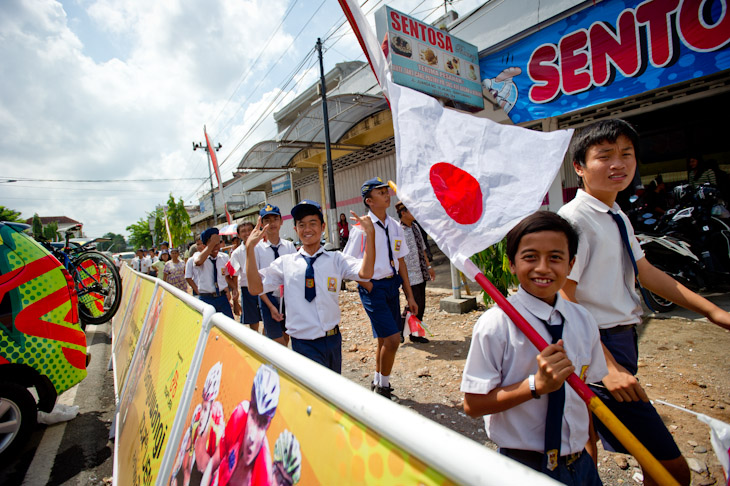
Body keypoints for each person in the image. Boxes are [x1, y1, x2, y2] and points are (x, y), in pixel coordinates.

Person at [558, 119, 730, 486]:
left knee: (584, 436)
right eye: (604, 156)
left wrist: (712, 310)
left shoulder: (615, 213)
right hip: (595, 346)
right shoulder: (574, 221)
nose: (618, 164)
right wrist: (608, 367)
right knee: (670, 469)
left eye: (627, 154)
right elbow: (563, 297)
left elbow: (646, 272)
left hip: (618, 341)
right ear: (579, 167)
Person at [462, 211, 607, 485]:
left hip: (580, 465)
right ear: (512, 264)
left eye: (555, 257)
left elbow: (582, 394)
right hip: (522, 468)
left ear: (571, 263)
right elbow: (473, 404)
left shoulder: (583, 320)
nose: (543, 268)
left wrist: (589, 453)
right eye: (530, 257)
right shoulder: (495, 325)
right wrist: (535, 385)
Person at [246, 200, 375, 373]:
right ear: (295, 230)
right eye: (302, 225)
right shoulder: (286, 263)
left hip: (333, 340)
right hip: (303, 343)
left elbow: (366, 273)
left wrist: (371, 235)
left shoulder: (336, 259)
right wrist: (249, 250)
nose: (307, 229)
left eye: (313, 224)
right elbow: (255, 289)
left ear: (322, 227)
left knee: (331, 393)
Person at [343, 177, 418, 399]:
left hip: (391, 286)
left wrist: (410, 296)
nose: (387, 194)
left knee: (384, 340)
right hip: (372, 288)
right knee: (394, 340)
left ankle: (378, 382)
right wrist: (367, 284)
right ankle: (384, 388)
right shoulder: (361, 228)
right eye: (381, 192)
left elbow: (401, 262)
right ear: (369, 200)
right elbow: (347, 263)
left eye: (387, 191)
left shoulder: (395, 227)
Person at [203, 364, 280, 486]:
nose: (252, 437)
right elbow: (213, 462)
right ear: (248, 409)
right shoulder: (240, 415)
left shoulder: (263, 473)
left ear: (268, 426)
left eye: (261, 425)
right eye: (253, 417)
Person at [170, 362, 225, 486]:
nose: (202, 416)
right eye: (202, 408)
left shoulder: (217, 436)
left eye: (206, 410)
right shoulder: (195, 426)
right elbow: (186, 473)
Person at [254, 205, 296, 346]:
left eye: (275, 219)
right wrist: (270, 306)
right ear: (261, 224)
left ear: (281, 221)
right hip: (267, 297)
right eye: (267, 220)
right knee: (279, 343)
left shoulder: (289, 246)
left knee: (285, 337)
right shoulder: (257, 249)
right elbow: (257, 281)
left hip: (287, 298)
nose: (272, 224)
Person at [395, 201, 434, 344]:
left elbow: (423, 249)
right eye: (411, 210)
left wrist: (429, 267)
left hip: (420, 271)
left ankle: (413, 333)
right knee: (413, 304)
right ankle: (402, 331)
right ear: (403, 213)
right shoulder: (398, 231)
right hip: (409, 275)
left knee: (420, 304)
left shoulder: (416, 227)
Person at [193, 228, 235, 318]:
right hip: (206, 298)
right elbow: (198, 262)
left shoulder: (224, 257)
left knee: (228, 326)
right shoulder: (199, 256)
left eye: (218, 243)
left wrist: (234, 289)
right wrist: (212, 243)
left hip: (222, 298)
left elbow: (229, 275)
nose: (216, 247)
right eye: (212, 244)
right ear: (204, 246)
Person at [228, 222, 261, 332]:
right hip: (248, 290)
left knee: (269, 319)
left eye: (249, 230)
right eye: (243, 231)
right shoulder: (237, 253)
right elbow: (229, 274)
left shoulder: (263, 246)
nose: (247, 233)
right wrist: (235, 292)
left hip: (265, 287)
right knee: (253, 322)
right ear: (238, 235)